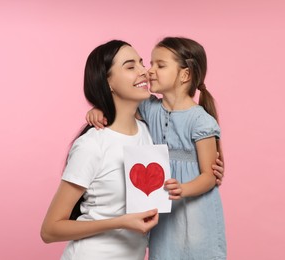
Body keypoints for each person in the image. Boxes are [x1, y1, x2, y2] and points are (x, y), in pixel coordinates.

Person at [87, 37, 226, 259]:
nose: (150, 71)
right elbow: (121, 100)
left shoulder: (200, 120)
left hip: (195, 209)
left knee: (198, 252)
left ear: (185, 75)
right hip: (160, 205)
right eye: (151, 64)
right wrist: (99, 109)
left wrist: (184, 189)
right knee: (164, 253)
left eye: (160, 65)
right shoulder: (150, 107)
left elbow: (210, 176)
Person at [40, 40, 161, 260]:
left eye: (141, 63)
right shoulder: (92, 145)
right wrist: (120, 222)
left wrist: (210, 170)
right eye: (130, 66)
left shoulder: (149, 132)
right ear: (108, 82)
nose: (144, 71)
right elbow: (49, 230)